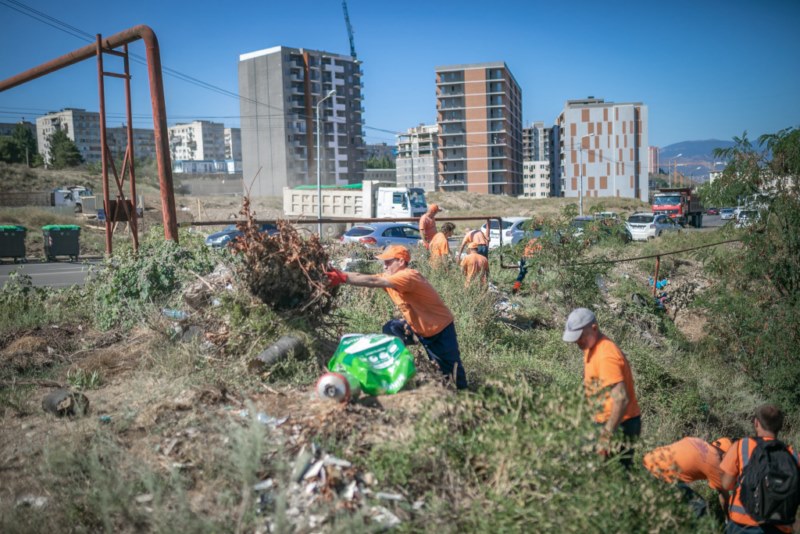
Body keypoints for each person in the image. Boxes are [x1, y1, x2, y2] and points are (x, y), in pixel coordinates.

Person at [326, 245, 468, 390]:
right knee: (392, 328)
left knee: (451, 373)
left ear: (401, 261)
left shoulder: (408, 276)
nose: (384, 266)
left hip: (439, 330)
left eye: (388, 262)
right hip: (418, 328)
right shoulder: (390, 277)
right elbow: (365, 277)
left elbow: (374, 282)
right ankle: (399, 363)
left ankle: (464, 395)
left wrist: (342, 278)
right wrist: (337, 273)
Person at [562, 307, 641, 468]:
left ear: (594, 328)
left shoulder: (606, 355)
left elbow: (621, 398)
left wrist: (606, 436)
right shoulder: (591, 346)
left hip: (619, 425)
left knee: (612, 475)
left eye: (580, 336)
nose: (578, 341)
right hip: (606, 422)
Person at [720, 405, 800, 534]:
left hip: (742, 523)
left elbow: (726, 484)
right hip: (779, 525)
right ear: (780, 426)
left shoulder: (742, 445)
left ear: (756, 423)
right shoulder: (793, 456)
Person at [644, 437, 733, 514]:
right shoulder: (715, 462)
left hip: (646, 463)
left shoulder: (697, 441)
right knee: (699, 507)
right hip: (661, 476)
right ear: (725, 455)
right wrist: (728, 518)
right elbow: (724, 497)